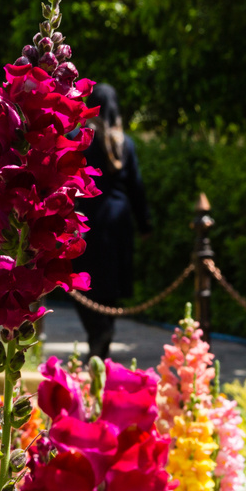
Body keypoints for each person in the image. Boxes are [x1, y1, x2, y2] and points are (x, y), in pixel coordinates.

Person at [71, 83, 150, 360]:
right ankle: (101, 343)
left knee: (82, 282)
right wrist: (145, 226)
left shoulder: (80, 138)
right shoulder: (125, 143)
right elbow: (137, 188)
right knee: (110, 287)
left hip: (89, 218)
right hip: (119, 219)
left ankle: (97, 334)